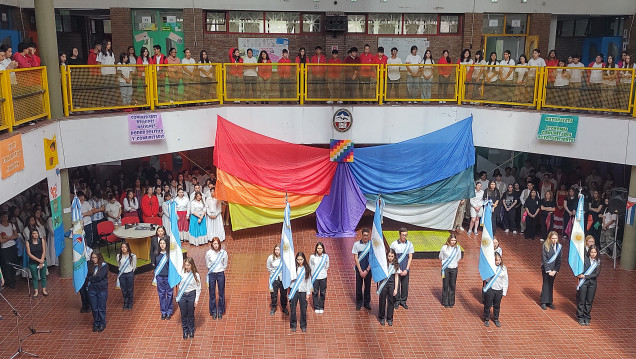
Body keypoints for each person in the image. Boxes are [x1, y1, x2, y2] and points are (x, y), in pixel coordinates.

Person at [176, 257, 201, 339]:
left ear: (192, 265)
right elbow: (177, 283)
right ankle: (185, 331)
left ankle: (191, 330)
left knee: (190, 314)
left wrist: (196, 299)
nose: (186, 267)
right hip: (182, 295)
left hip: (191, 295)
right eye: (185, 265)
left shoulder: (196, 275)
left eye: (188, 265)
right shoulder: (181, 272)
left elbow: (198, 288)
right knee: (183, 314)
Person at [576, 245, 600, 326]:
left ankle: (587, 316)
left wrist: (585, 276)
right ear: (589, 252)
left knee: (589, 301)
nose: (593, 254)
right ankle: (580, 316)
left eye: (595, 252)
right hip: (583, 282)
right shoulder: (584, 260)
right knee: (581, 299)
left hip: (592, 283)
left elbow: (596, 274)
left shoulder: (598, 261)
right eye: (592, 252)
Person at [483, 252, 508, 327]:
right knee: (488, 305)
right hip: (490, 288)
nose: (498, 261)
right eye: (496, 260)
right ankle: (486, 319)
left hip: (499, 289)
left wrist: (504, 291)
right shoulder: (490, 267)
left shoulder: (503, 268)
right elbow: (486, 279)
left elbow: (505, 280)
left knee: (497, 305)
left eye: (499, 260)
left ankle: (496, 319)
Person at [391, 227, 414, 309]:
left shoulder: (410, 244)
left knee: (405, 285)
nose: (404, 236)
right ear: (399, 234)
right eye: (403, 235)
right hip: (397, 268)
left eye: (405, 235)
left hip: (405, 268)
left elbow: (410, 257)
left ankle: (403, 301)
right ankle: (396, 301)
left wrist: (407, 269)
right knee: (396, 285)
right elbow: (392, 257)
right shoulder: (394, 244)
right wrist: (396, 268)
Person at [289, 252, 311, 333]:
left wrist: (308, 292)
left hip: (303, 290)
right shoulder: (293, 268)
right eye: (298, 259)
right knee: (293, 308)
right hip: (294, 290)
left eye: (301, 259)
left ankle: (303, 325)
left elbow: (308, 281)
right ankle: (293, 324)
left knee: (303, 309)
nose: (299, 261)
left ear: (304, 259)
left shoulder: (307, 269)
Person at [205, 237, 227, 319]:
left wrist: (221, 269)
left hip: (220, 273)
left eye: (217, 243)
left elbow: (225, 264)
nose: (216, 245)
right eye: (214, 243)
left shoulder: (223, 253)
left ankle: (220, 310)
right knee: (212, 293)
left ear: (219, 244)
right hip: (212, 274)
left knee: (221, 292)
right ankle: (213, 311)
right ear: (212, 244)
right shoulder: (208, 253)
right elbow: (207, 263)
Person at [152, 237, 173, 320]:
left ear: (166, 244)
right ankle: (163, 311)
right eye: (161, 243)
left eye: (164, 243)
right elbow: (155, 266)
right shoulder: (156, 253)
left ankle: (169, 311)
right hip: (160, 277)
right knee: (161, 294)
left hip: (168, 277)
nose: (162, 245)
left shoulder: (169, 254)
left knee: (170, 294)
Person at [87, 251, 108, 332]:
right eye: (92, 257)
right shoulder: (89, 264)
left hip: (102, 290)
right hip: (92, 290)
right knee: (94, 308)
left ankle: (102, 323)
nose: (94, 259)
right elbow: (88, 274)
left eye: (95, 257)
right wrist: (91, 277)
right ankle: (96, 323)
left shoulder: (104, 266)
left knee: (101, 308)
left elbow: (98, 277)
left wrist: (91, 278)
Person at [540, 231, 562, 310]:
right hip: (546, 269)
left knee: (551, 284)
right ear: (549, 238)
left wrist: (555, 270)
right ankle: (543, 301)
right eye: (553, 238)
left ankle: (550, 301)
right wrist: (548, 270)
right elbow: (544, 259)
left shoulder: (559, 247)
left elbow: (559, 260)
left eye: (556, 238)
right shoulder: (545, 246)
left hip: (554, 269)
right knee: (546, 284)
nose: (554, 240)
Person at [378, 248, 399, 326]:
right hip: (384, 282)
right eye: (389, 256)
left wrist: (396, 288)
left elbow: (396, 277)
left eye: (392, 256)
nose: (390, 258)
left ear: (394, 256)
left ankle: (390, 318)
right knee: (382, 300)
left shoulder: (396, 265)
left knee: (391, 301)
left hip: (391, 283)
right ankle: (381, 317)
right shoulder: (383, 264)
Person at [439, 234, 461, 308]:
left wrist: (454, 263)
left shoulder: (458, 248)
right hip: (446, 268)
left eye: (454, 240)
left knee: (452, 285)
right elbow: (441, 257)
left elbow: (458, 257)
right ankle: (445, 301)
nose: (453, 242)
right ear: (449, 240)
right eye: (452, 240)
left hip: (454, 268)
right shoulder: (444, 248)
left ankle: (451, 301)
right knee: (445, 285)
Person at [352, 228, 372, 310]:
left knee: (367, 287)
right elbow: (356, 258)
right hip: (359, 269)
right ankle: (359, 302)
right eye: (364, 235)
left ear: (369, 235)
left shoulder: (371, 245)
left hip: (368, 269)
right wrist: (360, 270)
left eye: (367, 235)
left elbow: (372, 258)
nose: (366, 237)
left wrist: (367, 270)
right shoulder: (356, 244)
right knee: (358, 287)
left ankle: (367, 303)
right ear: (362, 235)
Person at [267, 243, 289, 316]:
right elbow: (268, 267)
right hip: (274, 278)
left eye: (278, 250)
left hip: (283, 279)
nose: (277, 251)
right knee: (273, 294)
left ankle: (284, 307)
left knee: (283, 294)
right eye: (276, 249)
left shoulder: (284, 258)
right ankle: (273, 307)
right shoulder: (270, 257)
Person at [25, 228, 47, 297]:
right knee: (35, 277)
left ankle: (44, 290)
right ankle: (36, 291)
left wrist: (41, 260)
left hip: (42, 260)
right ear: (31, 235)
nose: (36, 235)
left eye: (36, 233)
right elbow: (29, 254)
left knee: (43, 276)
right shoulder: (28, 242)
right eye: (34, 233)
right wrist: (38, 260)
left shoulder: (41, 240)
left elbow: (44, 251)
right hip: (33, 262)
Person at [309, 242, 329, 314]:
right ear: (316, 249)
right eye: (318, 248)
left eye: (321, 248)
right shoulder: (312, 257)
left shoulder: (326, 256)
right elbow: (310, 265)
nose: (319, 250)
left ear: (323, 249)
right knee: (315, 292)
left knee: (323, 292)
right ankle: (316, 307)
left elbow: (327, 266)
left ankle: (321, 306)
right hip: (315, 277)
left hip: (323, 277)